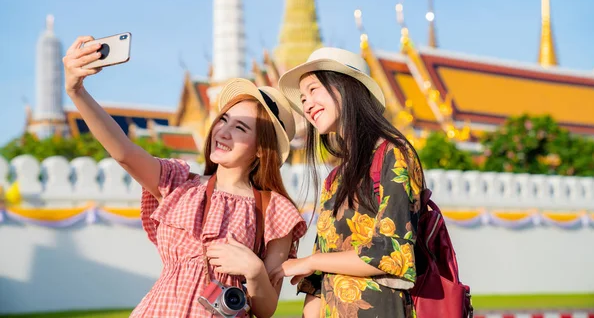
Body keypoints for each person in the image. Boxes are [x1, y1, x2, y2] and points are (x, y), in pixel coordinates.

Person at [63, 36, 307, 318]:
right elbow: (125, 153)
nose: (223, 132)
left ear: (261, 150)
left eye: (240, 127)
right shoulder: (179, 184)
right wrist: (77, 91)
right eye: (223, 120)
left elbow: (265, 309)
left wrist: (253, 270)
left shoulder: (275, 211)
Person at [270, 47, 425, 318]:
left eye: (314, 90)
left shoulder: (392, 154)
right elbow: (317, 278)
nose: (306, 104)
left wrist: (311, 261)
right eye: (303, 98)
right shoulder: (334, 179)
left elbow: (393, 253)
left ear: (345, 87)